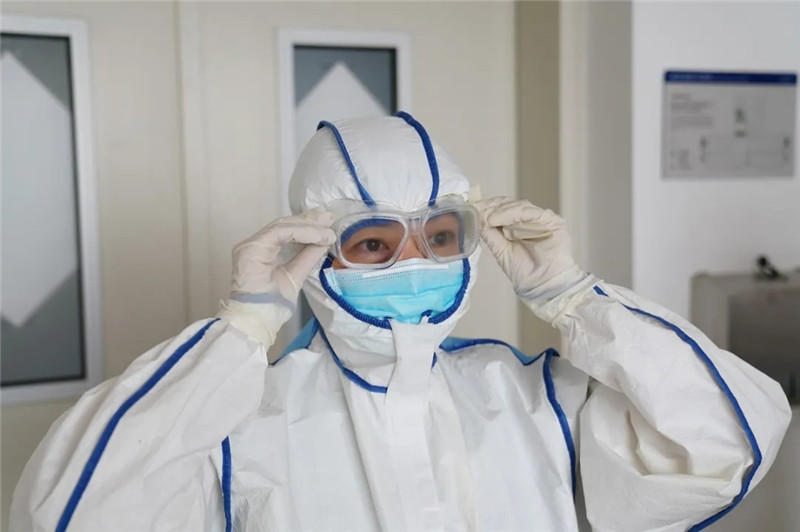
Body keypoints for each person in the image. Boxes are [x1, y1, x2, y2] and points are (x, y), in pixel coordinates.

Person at [10, 113, 791, 532]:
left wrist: (574, 297)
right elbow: (72, 514)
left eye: (441, 237)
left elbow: (728, 439)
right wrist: (242, 330)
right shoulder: (244, 421)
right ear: (317, 256)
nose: (415, 263)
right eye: (375, 243)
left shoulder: (531, 396)